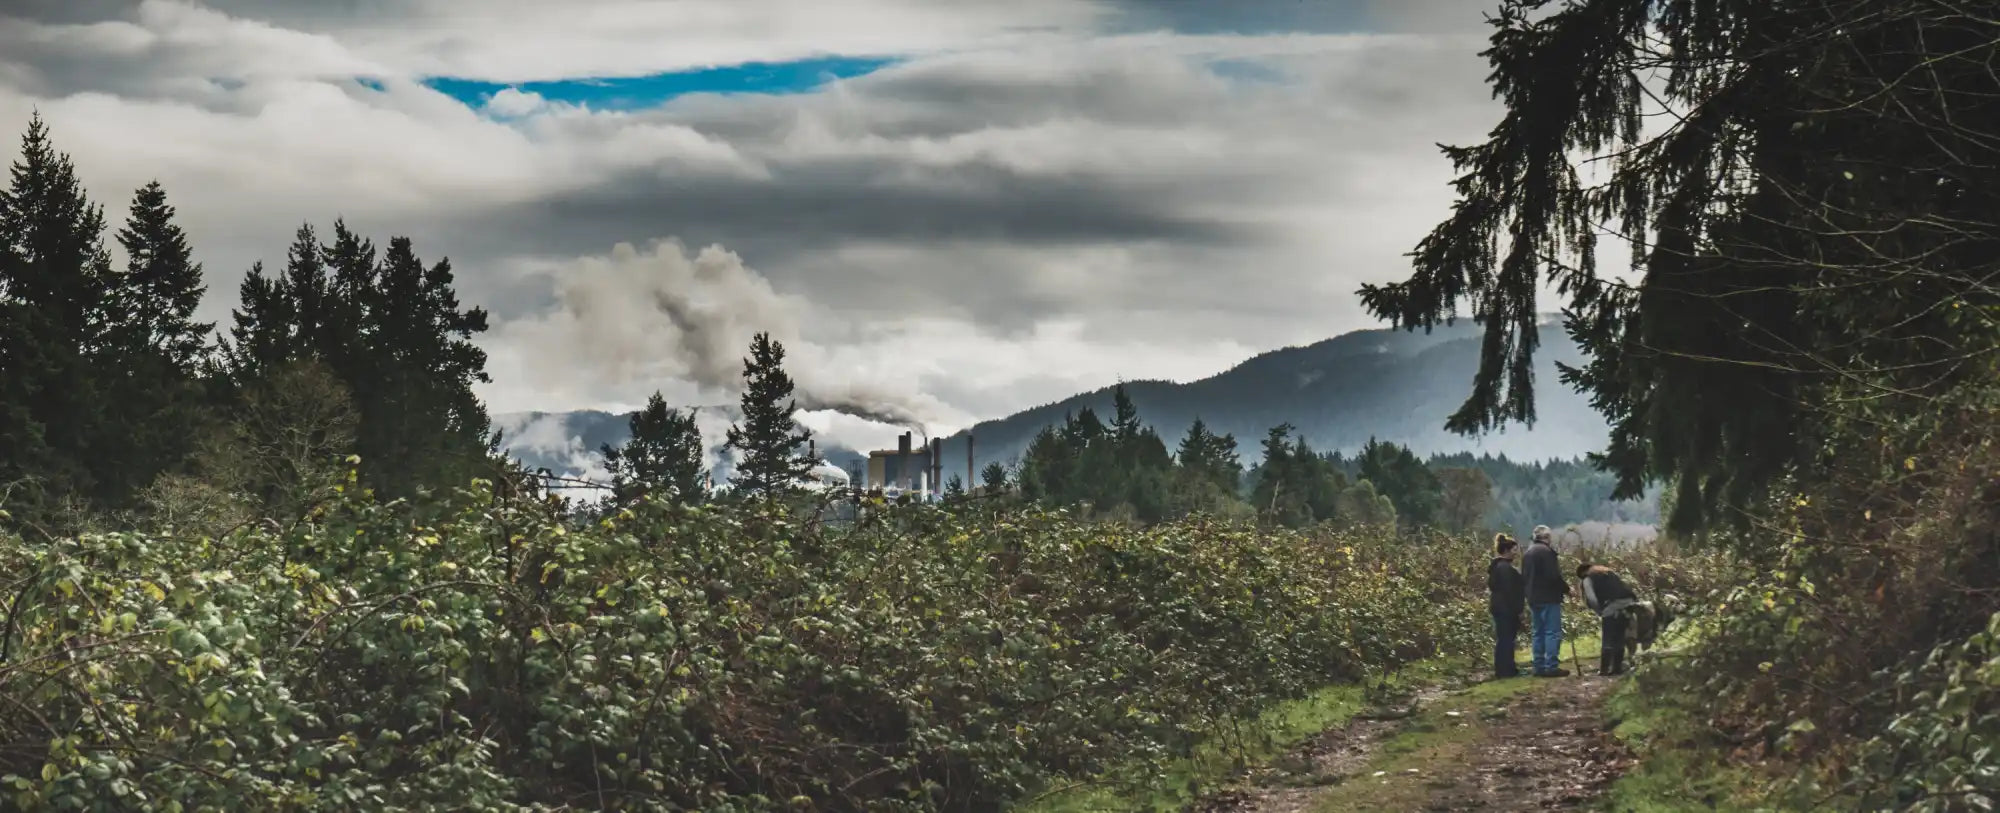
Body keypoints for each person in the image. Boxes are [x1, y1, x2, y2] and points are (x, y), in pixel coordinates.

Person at [1518, 525, 1568, 677]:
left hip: (1533, 598)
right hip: (1549, 597)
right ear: (1547, 537)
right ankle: (1551, 666)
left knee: (1537, 632)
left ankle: (1538, 666)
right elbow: (1553, 576)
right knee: (1552, 632)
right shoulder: (1547, 553)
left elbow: (1524, 577)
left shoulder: (1528, 553)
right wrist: (1566, 589)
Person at [1576, 562, 1639, 676]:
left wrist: (1600, 611)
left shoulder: (1588, 579)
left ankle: (1605, 669)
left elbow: (1592, 599)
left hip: (1611, 606)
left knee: (1608, 638)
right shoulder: (1609, 573)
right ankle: (1617, 668)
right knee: (1619, 637)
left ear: (1582, 573)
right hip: (1628, 604)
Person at [1486, 533, 1526, 678]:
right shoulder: (1506, 569)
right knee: (1506, 639)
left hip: (1498, 607)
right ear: (1507, 551)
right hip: (1506, 609)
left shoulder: (1497, 567)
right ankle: (1506, 670)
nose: (1516, 553)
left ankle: (1504, 669)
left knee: (1503, 639)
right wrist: (1519, 611)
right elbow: (1511, 592)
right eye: (1514, 550)